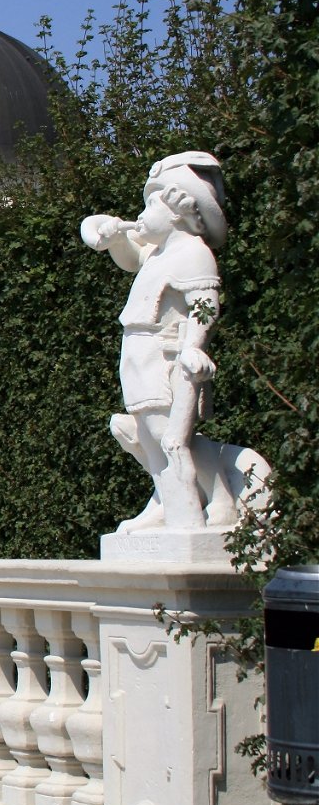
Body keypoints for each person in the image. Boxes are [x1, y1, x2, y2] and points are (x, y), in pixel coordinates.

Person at [81, 150, 227, 531]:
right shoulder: (159, 254)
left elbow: (205, 306)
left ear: (177, 212)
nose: (142, 215)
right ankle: (165, 499)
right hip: (139, 355)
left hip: (165, 356)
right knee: (147, 435)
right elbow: (130, 257)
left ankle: (215, 501)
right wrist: (115, 239)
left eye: (151, 205)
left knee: (170, 435)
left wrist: (194, 346)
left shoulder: (193, 253)